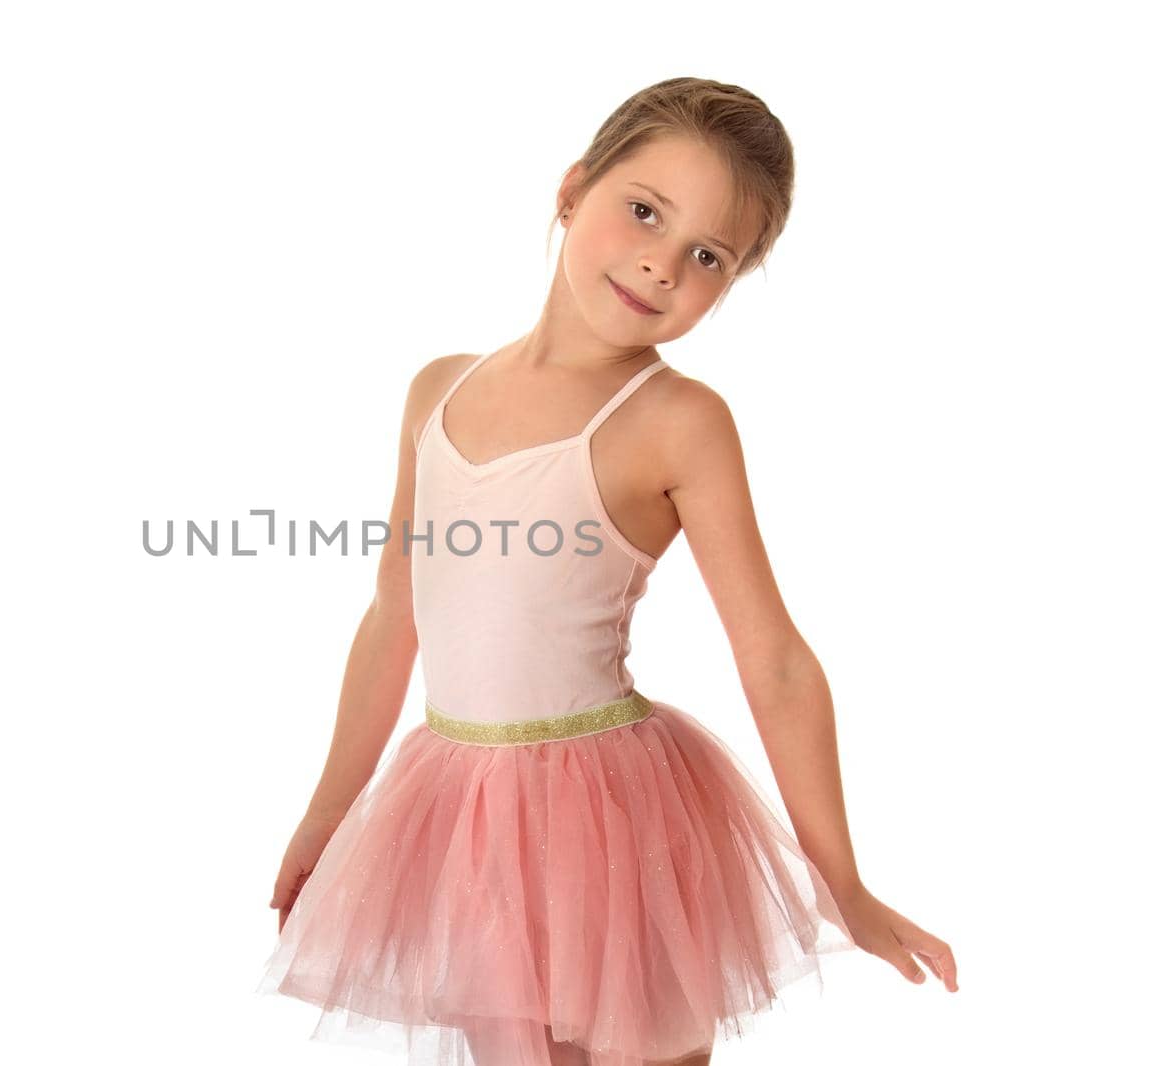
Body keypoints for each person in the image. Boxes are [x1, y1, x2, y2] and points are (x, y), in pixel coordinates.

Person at [255, 77, 958, 1066]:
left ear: (730, 282)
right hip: (459, 823)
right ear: (572, 188)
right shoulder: (436, 392)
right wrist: (326, 812)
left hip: (608, 818)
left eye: (706, 256)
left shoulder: (677, 423)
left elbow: (775, 658)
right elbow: (391, 617)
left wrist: (842, 880)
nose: (658, 263)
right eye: (642, 211)